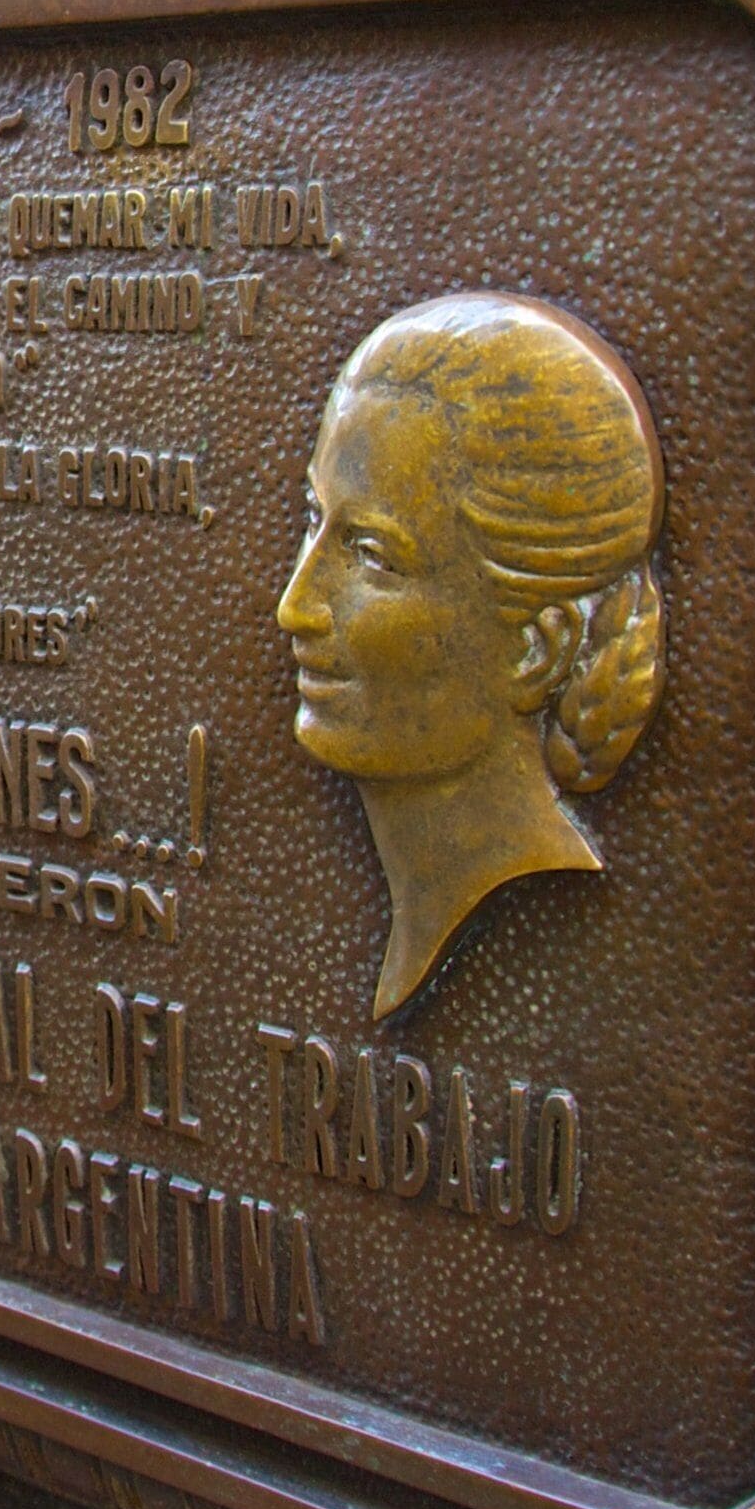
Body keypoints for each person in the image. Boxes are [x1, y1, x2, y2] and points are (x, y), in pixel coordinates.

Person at [277, 292, 667, 1020]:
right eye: (312, 519)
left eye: (371, 556)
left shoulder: (562, 957)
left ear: (536, 651)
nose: (295, 605)